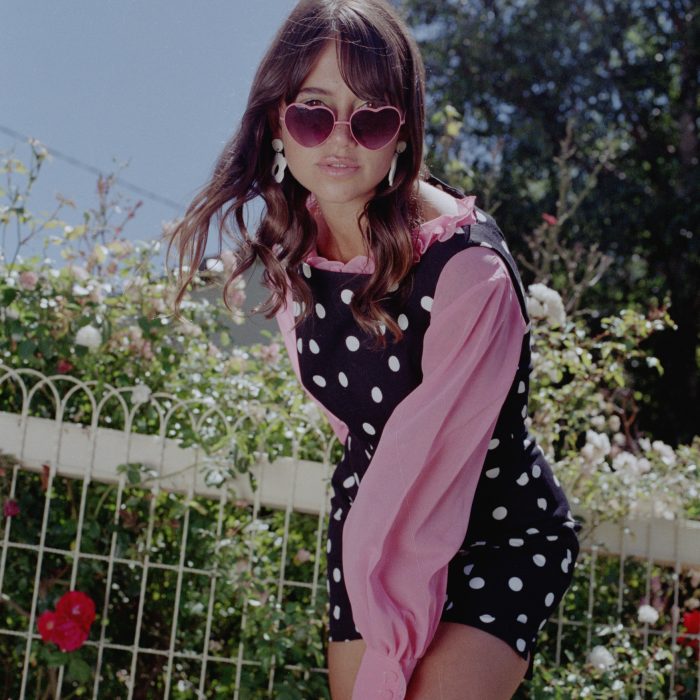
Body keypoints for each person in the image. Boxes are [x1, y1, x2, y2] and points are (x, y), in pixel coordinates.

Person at [167, 1, 582, 698]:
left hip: (496, 534)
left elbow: (430, 463)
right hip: (371, 523)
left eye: (372, 118)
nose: (340, 139)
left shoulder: (466, 270)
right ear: (277, 119)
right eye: (313, 113)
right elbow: (356, 425)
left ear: (403, 131)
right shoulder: (296, 255)